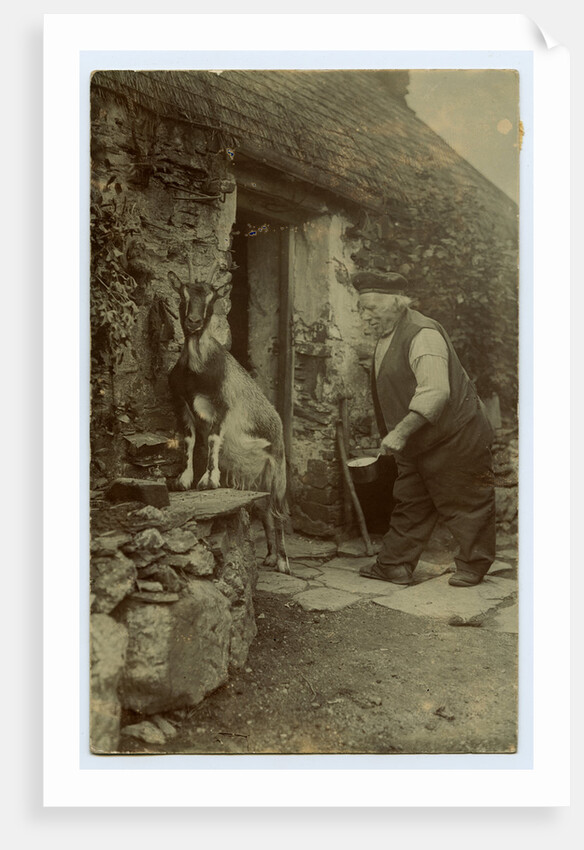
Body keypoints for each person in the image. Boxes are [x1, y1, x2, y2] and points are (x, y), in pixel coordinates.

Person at [353, 271, 496, 587]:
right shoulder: (387, 336)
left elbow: (435, 393)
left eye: (372, 308)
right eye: (361, 308)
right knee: (410, 501)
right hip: (422, 440)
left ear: (396, 304)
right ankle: (393, 565)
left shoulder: (423, 334)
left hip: (457, 435)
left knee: (467, 501)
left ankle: (474, 566)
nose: (365, 315)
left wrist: (400, 433)